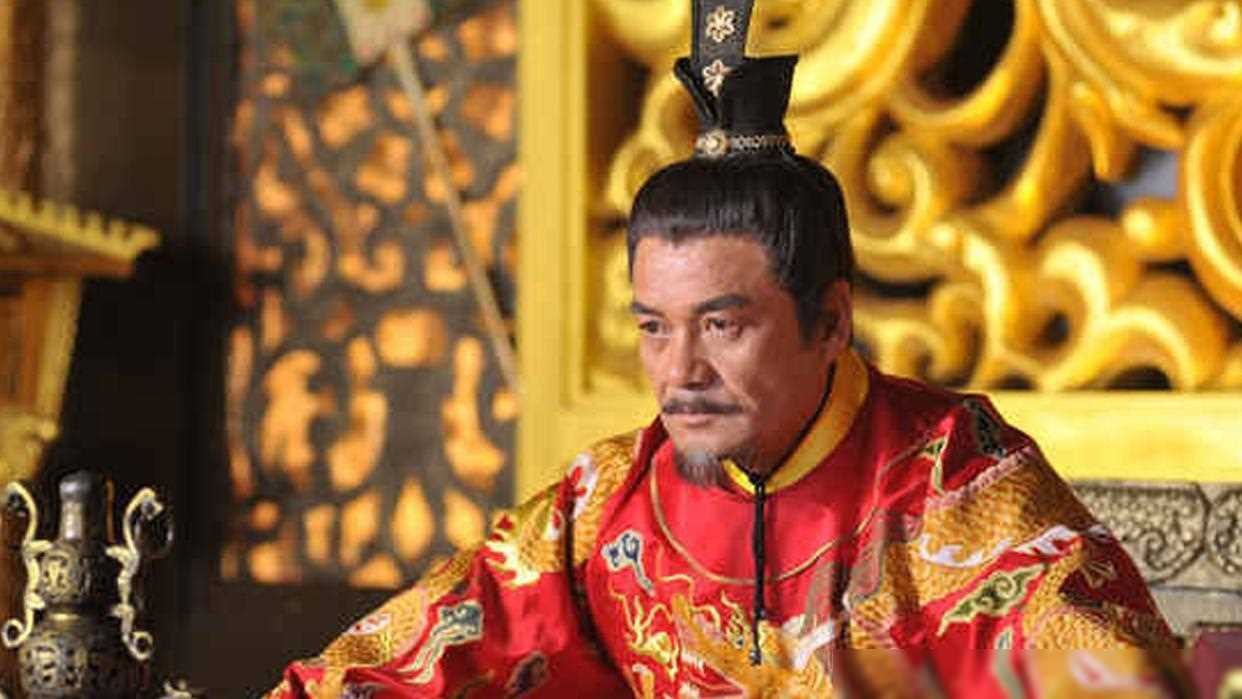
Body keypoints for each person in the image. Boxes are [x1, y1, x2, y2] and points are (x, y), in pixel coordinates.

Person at [268, 1, 1189, 696]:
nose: (680, 373)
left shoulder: (959, 487)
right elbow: (421, 650)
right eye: (653, 327)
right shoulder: (609, 504)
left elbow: (1107, 671)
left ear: (831, 320)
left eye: (722, 325)